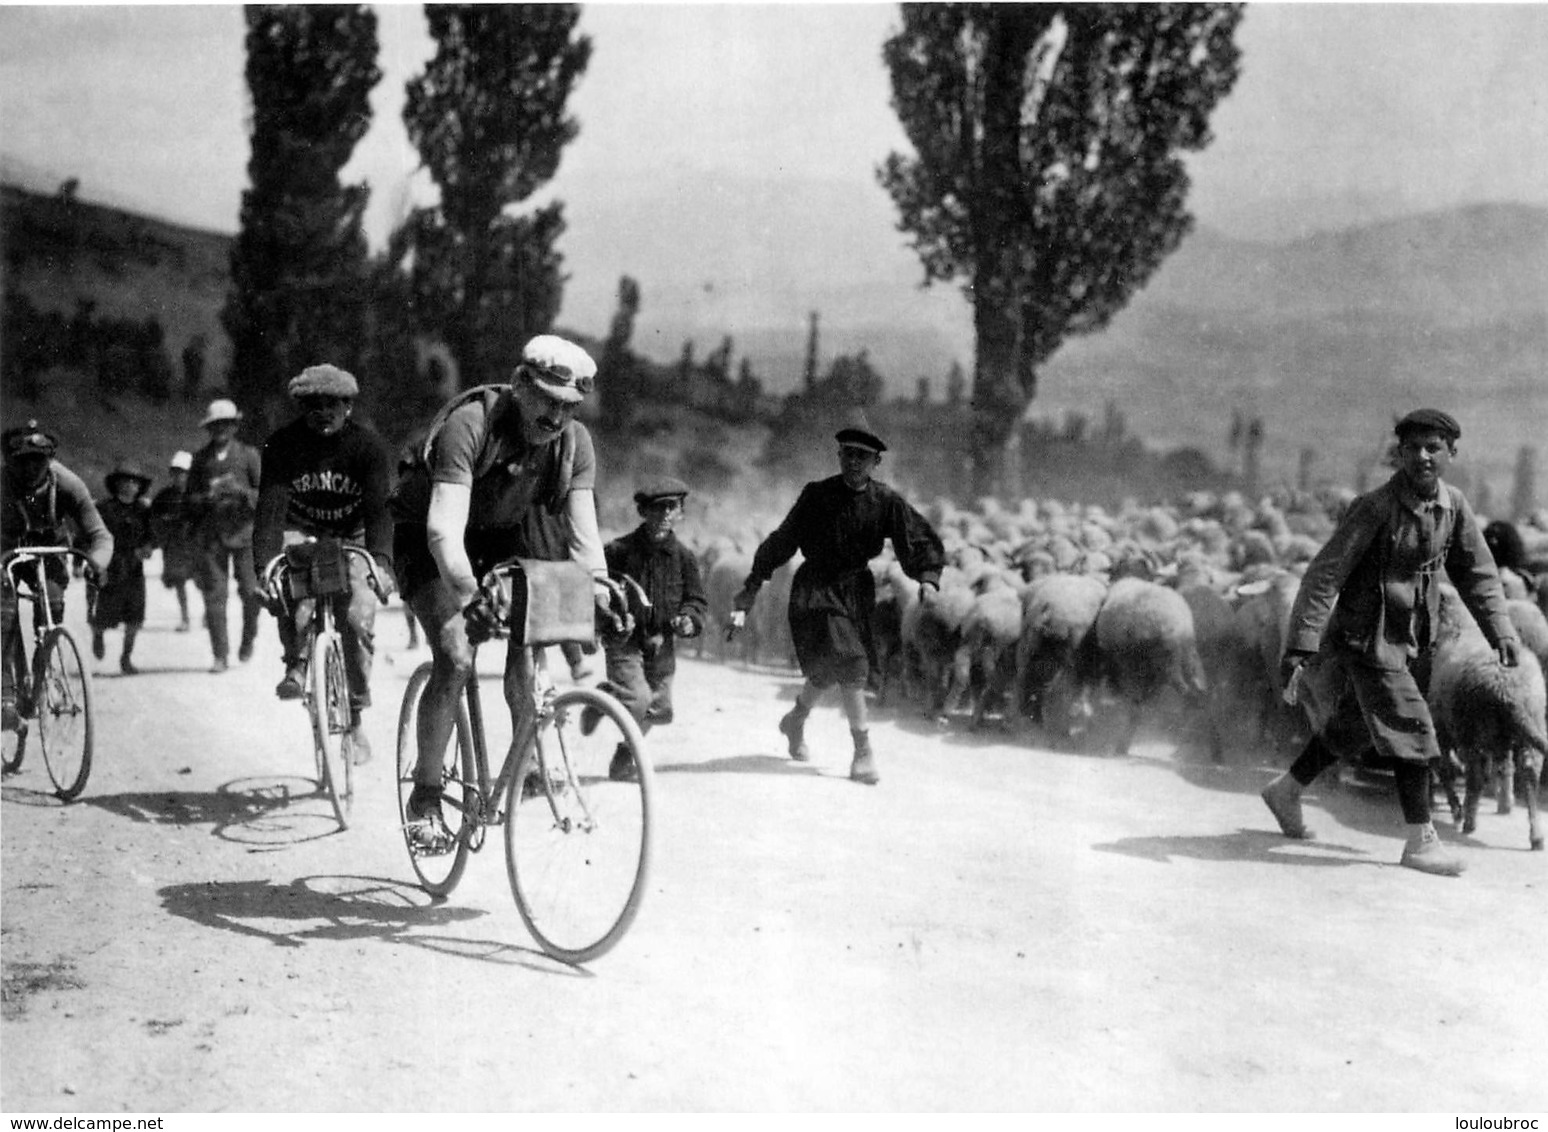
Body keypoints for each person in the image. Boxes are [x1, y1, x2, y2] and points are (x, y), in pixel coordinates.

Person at [1262, 408, 1520, 876]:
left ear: (1450, 453)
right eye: (1412, 448)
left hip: (1415, 638)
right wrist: (1301, 643)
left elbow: (1477, 574)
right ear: (1398, 454)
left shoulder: (1454, 506)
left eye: (1433, 448)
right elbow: (1325, 575)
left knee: (1355, 724)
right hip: (1368, 636)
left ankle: (1287, 790)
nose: (1422, 457)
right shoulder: (1375, 507)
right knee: (1413, 724)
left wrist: (1501, 631)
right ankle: (1420, 841)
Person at [389, 334, 611, 849]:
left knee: (530, 645)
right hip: (429, 539)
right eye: (547, 401)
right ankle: (424, 797)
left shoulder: (574, 444)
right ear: (518, 385)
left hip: (500, 537)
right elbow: (443, 531)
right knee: (455, 653)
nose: (556, 418)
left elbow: (584, 536)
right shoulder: (471, 425)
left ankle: (526, 765)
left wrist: (600, 589)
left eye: (569, 407)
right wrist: (470, 598)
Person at [732, 423, 945, 785]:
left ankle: (796, 718)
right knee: (852, 661)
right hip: (815, 587)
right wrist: (753, 584)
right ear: (839, 456)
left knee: (830, 669)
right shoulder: (817, 495)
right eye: (848, 454)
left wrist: (927, 577)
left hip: (856, 589)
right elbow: (784, 539)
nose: (854, 462)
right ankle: (863, 752)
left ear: (876, 462)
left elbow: (915, 536)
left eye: (863, 456)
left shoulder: (886, 501)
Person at [253, 364, 395, 764]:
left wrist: (381, 564)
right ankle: (297, 664)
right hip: (302, 533)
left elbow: (380, 514)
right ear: (301, 406)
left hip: (352, 536)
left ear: (348, 406)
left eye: (333, 404)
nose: (323, 412)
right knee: (290, 588)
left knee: (356, 615)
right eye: (313, 405)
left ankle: (355, 712)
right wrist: (265, 568)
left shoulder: (367, 447)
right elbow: (269, 512)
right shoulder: (282, 445)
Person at [588, 475, 708, 781]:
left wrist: (688, 619)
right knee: (638, 700)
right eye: (657, 508)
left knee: (660, 708)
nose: (665, 515)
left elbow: (696, 600)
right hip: (624, 639)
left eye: (672, 507)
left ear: (681, 512)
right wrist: (606, 621)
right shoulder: (618, 551)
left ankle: (611, 711)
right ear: (643, 512)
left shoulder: (684, 558)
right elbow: (598, 591)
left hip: (661, 643)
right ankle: (617, 716)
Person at [1, 422, 114, 731]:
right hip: (5, 553)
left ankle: (41, 676)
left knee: (51, 608)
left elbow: (100, 535)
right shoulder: (2, 485)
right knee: (4, 616)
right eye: (23, 461)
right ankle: (5, 699)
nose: (31, 468)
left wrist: (96, 563)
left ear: (50, 459)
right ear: (11, 462)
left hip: (49, 553)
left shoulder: (68, 484)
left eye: (38, 460)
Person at [187, 399, 263, 672]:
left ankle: (248, 639)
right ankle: (220, 654)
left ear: (234, 426)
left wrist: (241, 492)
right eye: (215, 426)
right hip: (213, 536)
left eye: (225, 425)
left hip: (244, 535)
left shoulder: (248, 455)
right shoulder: (199, 459)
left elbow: (265, 496)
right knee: (214, 597)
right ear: (209, 428)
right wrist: (207, 497)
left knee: (252, 592)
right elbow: (189, 501)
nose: (220, 430)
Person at [91, 460, 155, 674]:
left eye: (134, 482)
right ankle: (98, 636)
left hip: (134, 569)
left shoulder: (144, 510)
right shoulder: (103, 509)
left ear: (139, 486)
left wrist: (147, 547)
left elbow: (152, 535)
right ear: (116, 484)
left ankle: (126, 658)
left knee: (135, 619)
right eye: (125, 481)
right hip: (109, 567)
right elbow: (89, 536)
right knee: (102, 616)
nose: (129, 485)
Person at [149, 451, 197, 632]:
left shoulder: (197, 495)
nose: (179, 477)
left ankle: (210, 615)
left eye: (183, 472)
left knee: (205, 581)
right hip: (175, 546)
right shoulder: (164, 496)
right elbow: (153, 520)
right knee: (179, 582)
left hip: (195, 544)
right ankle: (185, 618)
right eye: (176, 472)